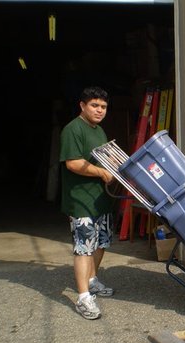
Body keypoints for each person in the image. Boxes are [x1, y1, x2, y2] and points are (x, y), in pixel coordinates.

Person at [60, 86, 115, 319]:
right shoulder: (73, 129)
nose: (99, 110)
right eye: (94, 105)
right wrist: (101, 173)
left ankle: (92, 281)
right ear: (82, 106)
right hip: (81, 199)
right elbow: (72, 163)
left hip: (100, 199)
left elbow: (102, 157)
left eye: (103, 106)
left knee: (101, 243)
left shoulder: (99, 131)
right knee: (84, 247)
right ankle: (83, 298)